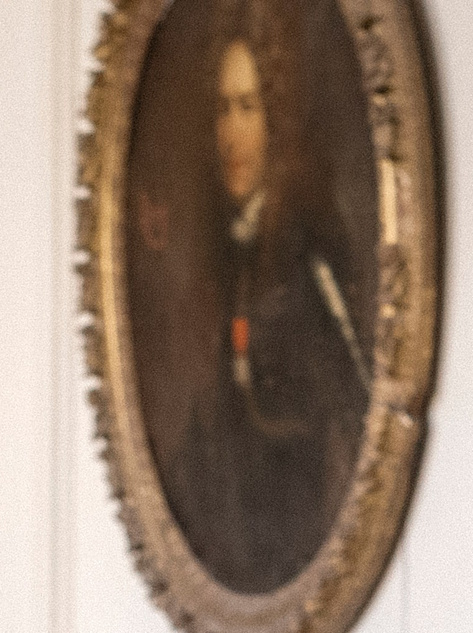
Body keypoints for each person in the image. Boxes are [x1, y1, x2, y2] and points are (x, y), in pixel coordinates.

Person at [157, 11, 370, 597]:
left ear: (274, 121)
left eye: (249, 108)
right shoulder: (220, 249)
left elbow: (354, 411)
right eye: (222, 110)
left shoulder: (309, 250)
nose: (232, 134)